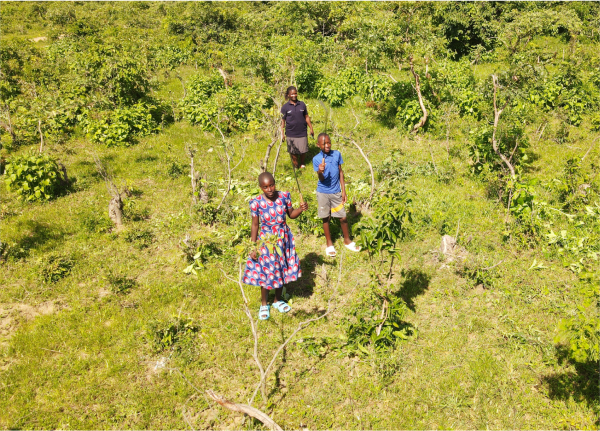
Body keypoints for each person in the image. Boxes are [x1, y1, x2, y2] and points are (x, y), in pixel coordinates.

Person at [243, 172, 309, 320]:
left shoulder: (284, 196)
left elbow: (291, 215)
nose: (270, 189)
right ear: (261, 188)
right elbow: (255, 225)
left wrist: (301, 209)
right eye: (265, 187)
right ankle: (264, 303)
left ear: (274, 183)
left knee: (281, 269)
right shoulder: (256, 203)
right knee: (267, 272)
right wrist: (253, 246)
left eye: (271, 185)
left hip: (283, 239)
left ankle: (277, 300)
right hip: (267, 242)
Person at [313, 133, 361, 257]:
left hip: (336, 192)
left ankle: (347, 240)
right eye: (324, 144)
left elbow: (340, 172)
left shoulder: (337, 154)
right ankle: (329, 243)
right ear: (318, 145)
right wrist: (320, 171)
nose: (327, 145)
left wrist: (343, 191)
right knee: (326, 217)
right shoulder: (317, 159)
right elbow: (321, 179)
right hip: (323, 192)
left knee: (343, 217)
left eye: (329, 142)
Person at [281, 86, 314, 169]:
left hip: (302, 131)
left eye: (295, 93)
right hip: (290, 133)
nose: (294, 95)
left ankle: (302, 163)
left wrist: (311, 128)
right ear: (288, 95)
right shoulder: (285, 107)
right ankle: (296, 165)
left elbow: (306, 117)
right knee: (293, 151)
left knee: (303, 150)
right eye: (292, 94)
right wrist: (282, 133)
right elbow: (282, 121)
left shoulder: (302, 104)